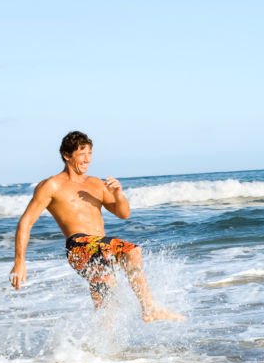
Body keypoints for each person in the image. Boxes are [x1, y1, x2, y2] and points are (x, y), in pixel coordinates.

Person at [9, 131, 183, 322]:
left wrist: (118, 194)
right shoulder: (51, 185)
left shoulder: (96, 184)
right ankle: (149, 308)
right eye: (81, 154)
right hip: (79, 246)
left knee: (108, 308)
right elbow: (26, 222)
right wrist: (19, 261)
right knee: (131, 251)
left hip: (99, 248)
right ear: (67, 156)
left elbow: (124, 214)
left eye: (90, 153)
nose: (87, 159)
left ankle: (97, 350)